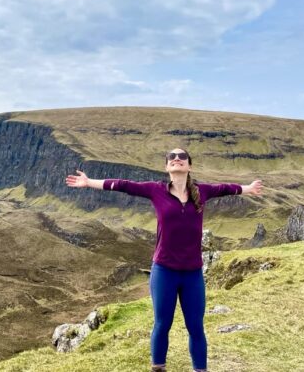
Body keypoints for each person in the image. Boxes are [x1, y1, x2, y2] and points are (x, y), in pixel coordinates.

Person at [65, 148, 263, 372]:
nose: (177, 159)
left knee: (196, 327)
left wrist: (248, 189)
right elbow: (123, 185)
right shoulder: (155, 190)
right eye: (172, 157)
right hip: (164, 271)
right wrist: (89, 182)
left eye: (182, 157)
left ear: (189, 166)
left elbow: (226, 188)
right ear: (166, 166)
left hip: (192, 274)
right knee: (162, 325)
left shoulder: (202, 191)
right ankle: (158, 368)